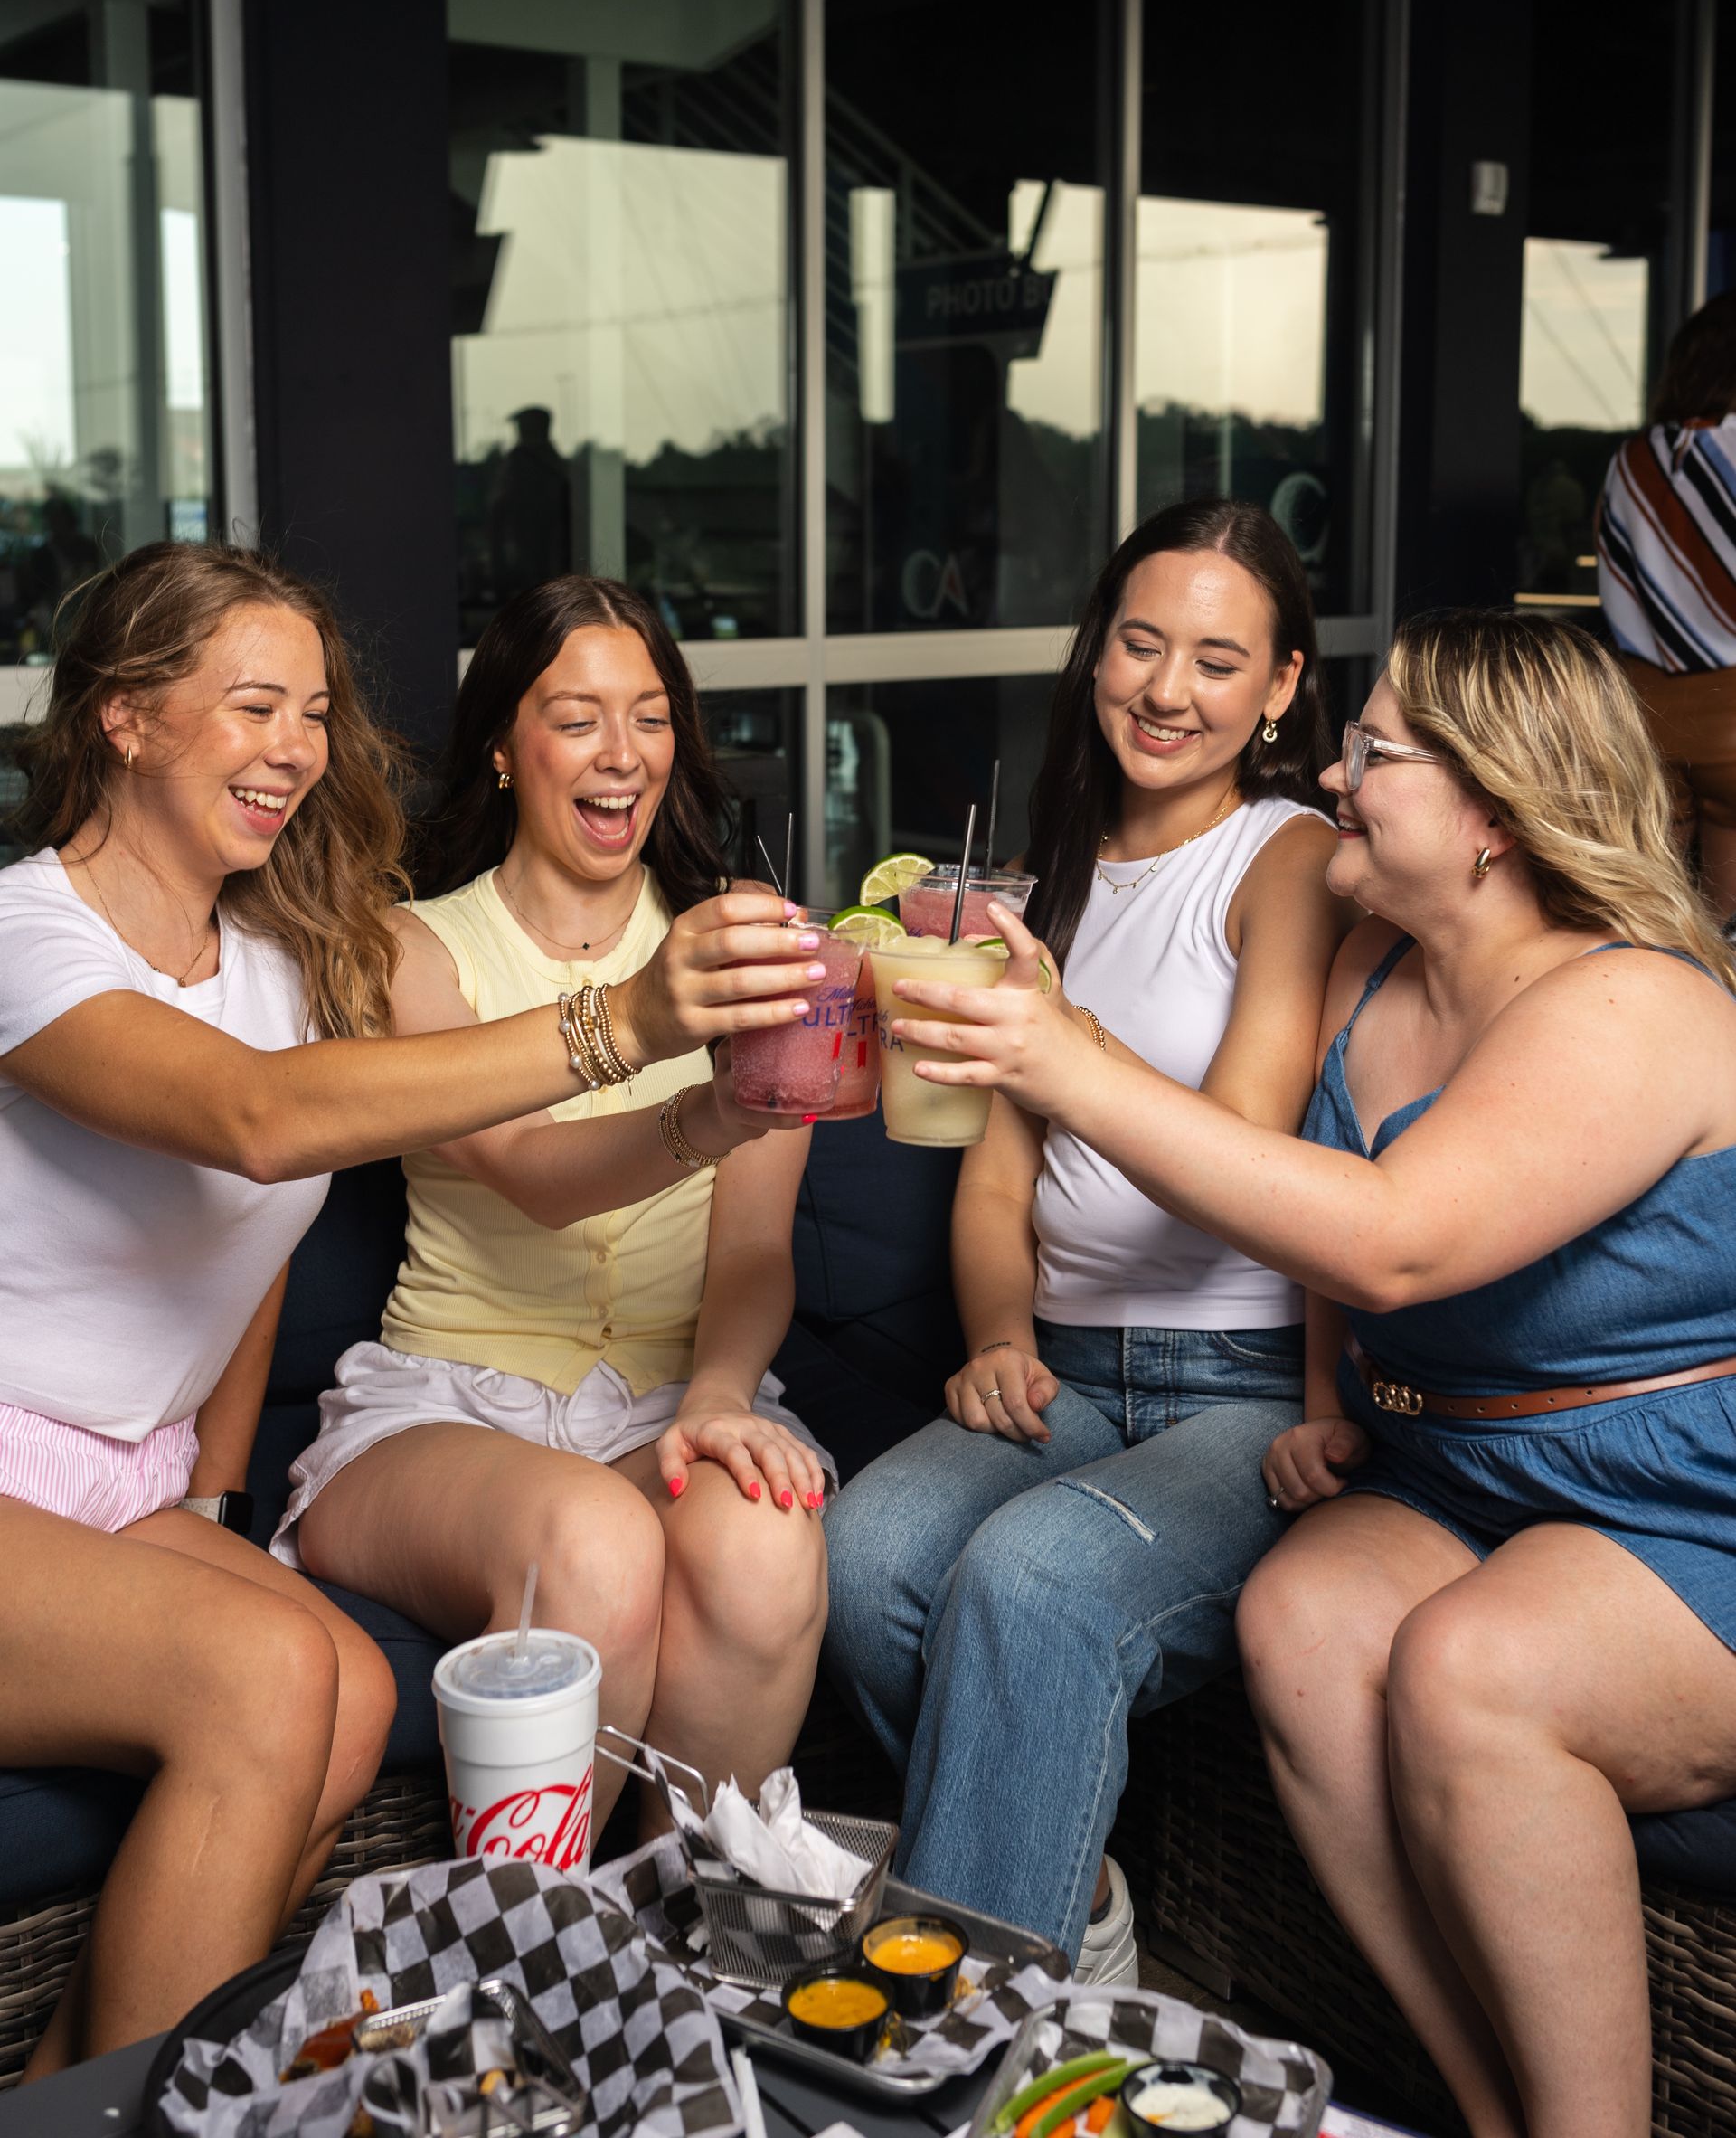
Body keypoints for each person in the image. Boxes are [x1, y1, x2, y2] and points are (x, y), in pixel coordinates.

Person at [888, 609, 1736, 2138]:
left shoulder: (1636, 1006)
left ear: (1491, 811)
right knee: (1302, 1613)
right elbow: (1316, 1212)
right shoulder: (1370, 971)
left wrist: (1062, 1060)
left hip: (1678, 1501)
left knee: (1473, 1668)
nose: (1332, 778)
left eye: (1374, 752)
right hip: (1461, 1472)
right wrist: (1336, 1400)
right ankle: (1487, 2108)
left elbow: (1399, 1237)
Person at [0, 543, 823, 2073]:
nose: (298, 749)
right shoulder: (23, 933)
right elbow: (253, 1125)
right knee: (263, 1674)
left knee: (350, 1680)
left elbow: (239, 1240)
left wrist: (213, 1486)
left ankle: (75, 2091)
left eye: (313, 712)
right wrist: (627, 1024)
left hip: (123, 1487)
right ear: (121, 716)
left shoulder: (275, 960)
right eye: (254, 705)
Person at [824, 499, 1351, 1977]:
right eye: (1139, 643)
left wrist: (1062, 1031)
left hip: (1239, 1386)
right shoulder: (1048, 877)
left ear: (1283, 688)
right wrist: (995, 1334)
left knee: (1031, 1578)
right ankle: (1076, 1909)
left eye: (1218, 660)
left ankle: (967, 2021)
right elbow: (997, 1179)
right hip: (1064, 1367)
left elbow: (1235, 1153)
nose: (1168, 691)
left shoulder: (1286, 856)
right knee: (865, 1561)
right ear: (1096, 652)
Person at [280, 577, 830, 1844]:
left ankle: (668, 1921)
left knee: (769, 1538)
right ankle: (542, 1958)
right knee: (592, 1537)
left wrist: (717, 1397)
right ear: (503, 743)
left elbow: (751, 1249)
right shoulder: (408, 951)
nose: (621, 754)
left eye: (649, 718)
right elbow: (529, 1165)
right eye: (577, 718)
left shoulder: (742, 954)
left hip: (656, 1407)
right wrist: (712, 1106)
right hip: (443, 1410)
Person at [1598, 290, 1736, 920]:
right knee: (1726, 922)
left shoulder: (1631, 461)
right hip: (1732, 708)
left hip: (1648, 712)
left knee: (1650, 915)